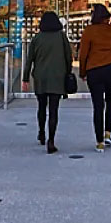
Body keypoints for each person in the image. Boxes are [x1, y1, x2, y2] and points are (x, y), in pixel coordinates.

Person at [21, 11, 73, 154]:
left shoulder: (37, 38)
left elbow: (29, 60)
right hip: (57, 77)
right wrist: (68, 72)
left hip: (40, 78)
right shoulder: (61, 37)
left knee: (41, 107)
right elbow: (69, 57)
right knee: (54, 110)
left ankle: (41, 132)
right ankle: (51, 140)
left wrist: (25, 78)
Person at [78, 4, 111, 152]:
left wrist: (82, 72)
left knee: (98, 106)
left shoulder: (89, 31)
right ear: (105, 16)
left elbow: (83, 54)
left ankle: (99, 142)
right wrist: (110, 14)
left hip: (94, 71)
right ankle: (107, 133)